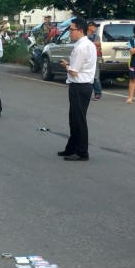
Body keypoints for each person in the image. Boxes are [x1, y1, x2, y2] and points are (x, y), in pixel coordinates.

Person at [57, 17, 96, 161]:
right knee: (74, 119)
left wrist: (66, 66)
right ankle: (71, 148)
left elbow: (74, 71)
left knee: (78, 120)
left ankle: (82, 152)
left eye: (72, 30)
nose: (70, 33)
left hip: (80, 85)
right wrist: (70, 65)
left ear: (80, 30)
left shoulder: (81, 47)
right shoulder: (88, 44)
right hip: (83, 85)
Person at [86, 21, 102, 100]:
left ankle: (98, 93)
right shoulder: (84, 35)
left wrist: (89, 43)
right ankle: (86, 93)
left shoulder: (96, 36)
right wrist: (93, 44)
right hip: (85, 57)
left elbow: (99, 44)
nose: (95, 28)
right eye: (94, 26)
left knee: (95, 75)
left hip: (94, 57)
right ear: (89, 26)